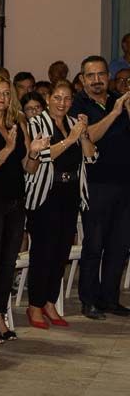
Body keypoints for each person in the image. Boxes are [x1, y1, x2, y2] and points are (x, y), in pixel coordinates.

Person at [0, 76, 48, 342]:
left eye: (6, 93)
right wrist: (8, 148)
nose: (3, 97)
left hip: (15, 203)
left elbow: (29, 167)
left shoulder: (17, 124)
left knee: (7, 264)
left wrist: (34, 151)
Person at [23, 80, 95, 328]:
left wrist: (83, 134)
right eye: (57, 98)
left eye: (67, 99)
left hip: (70, 193)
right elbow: (41, 156)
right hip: (45, 195)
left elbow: (91, 156)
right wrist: (69, 140)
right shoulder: (36, 123)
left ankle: (50, 302)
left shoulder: (75, 123)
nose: (62, 103)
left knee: (61, 252)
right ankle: (34, 305)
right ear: (48, 99)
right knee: (43, 252)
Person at [69, 56, 130, 318]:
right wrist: (116, 113)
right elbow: (89, 136)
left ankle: (110, 299)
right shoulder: (77, 105)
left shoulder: (120, 98)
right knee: (94, 244)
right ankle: (89, 299)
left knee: (120, 245)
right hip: (96, 184)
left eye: (101, 74)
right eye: (91, 75)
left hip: (125, 184)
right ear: (82, 79)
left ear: (109, 76)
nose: (97, 80)